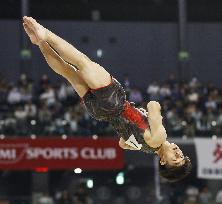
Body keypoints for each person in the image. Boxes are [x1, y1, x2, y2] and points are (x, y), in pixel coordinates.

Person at [22, 16, 192, 182]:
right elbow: (122, 143)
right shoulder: (144, 148)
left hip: (114, 101)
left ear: (163, 162)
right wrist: (138, 123)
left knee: (81, 62)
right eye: (182, 156)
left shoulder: (160, 138)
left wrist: (147, 114)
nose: (178, 153)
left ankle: (45, 34)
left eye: (175, 159)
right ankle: (40, 43)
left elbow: (153, 105)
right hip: (100, 113)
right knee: (68, 73)